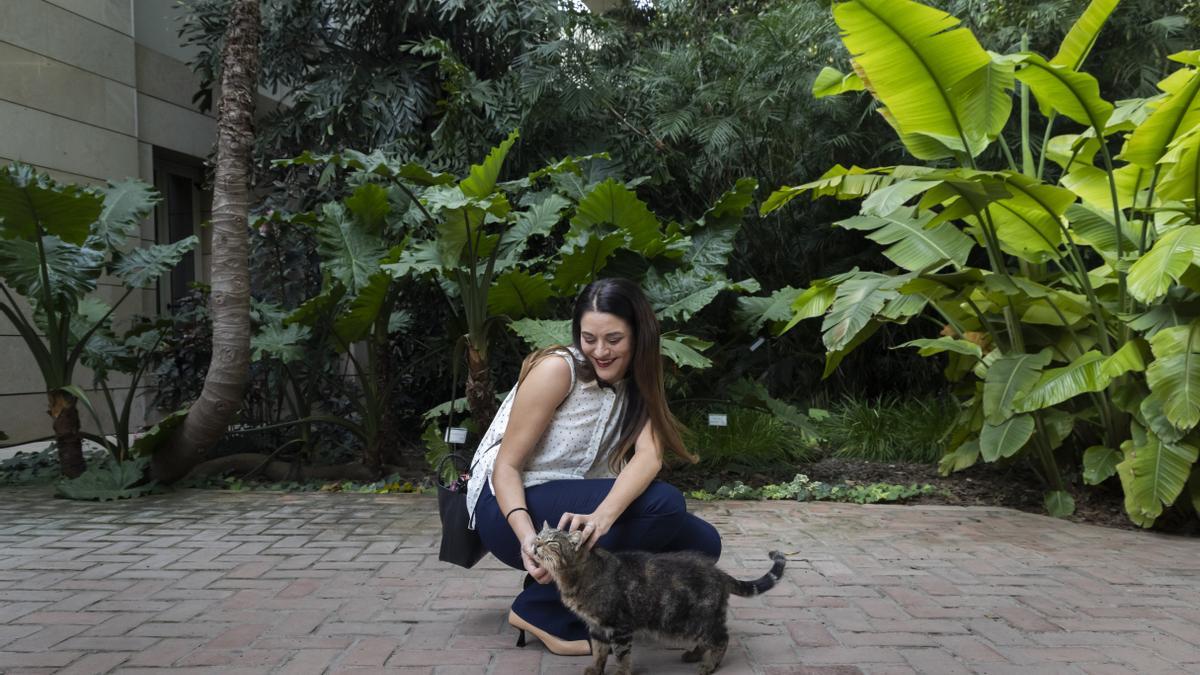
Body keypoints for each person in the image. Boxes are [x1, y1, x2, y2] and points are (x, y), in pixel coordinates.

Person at [465, 277, 722, 656]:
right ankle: (541, 609)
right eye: (589, 338)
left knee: (700, 545)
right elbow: (505, 467)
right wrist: (527, 539)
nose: (600, 351)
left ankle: (553, 587)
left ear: (638, 334)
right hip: (505, 510)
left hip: (564, 508)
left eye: (613, 339)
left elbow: (649, 456)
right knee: (664, 504)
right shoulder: (558, 370)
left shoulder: (640, 379)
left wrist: (601, 518)